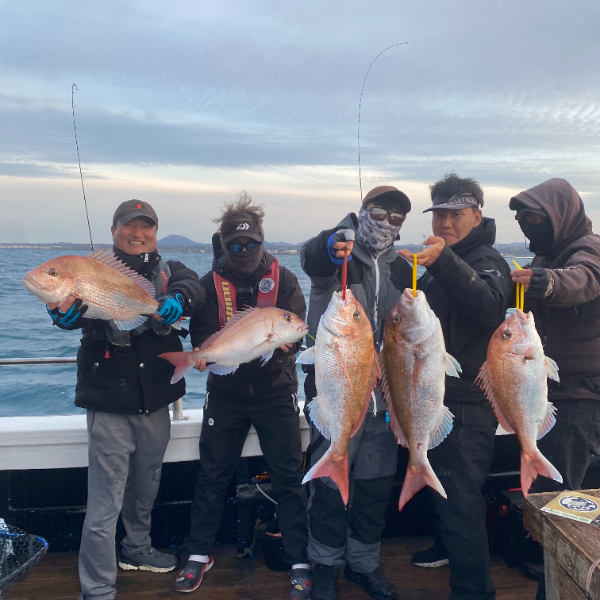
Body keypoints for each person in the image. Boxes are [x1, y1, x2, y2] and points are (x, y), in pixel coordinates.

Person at [47, 199, 204, 600]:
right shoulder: (90, 269)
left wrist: (178, 300)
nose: (137, 233)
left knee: (146, 486)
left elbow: (194, 286)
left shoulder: (170, 269)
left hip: (156, 400)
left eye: (146, 226)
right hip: (109, 403)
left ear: (155, 232)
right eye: (129, 226)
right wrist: (61, 316)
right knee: (105, 503)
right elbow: (71, 313)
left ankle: (137, 549)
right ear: (114, 230)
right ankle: (97, 588)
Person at [175, 195, 312, 599]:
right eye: (235, 245)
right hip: (225, 394)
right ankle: (199, 553)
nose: (244, 250)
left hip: (276, 393)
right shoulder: (207, 284)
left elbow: (297, 327)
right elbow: (201, 333)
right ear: (223, 244)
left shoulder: (285, 280)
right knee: (212, 474)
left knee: (289, 477)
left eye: (251, 243)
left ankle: (299, 559)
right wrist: (203, 354)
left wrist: (286, 345)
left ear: (261, 240)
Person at [400, 174, 511, 600]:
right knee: (441, 489)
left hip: (465, 405)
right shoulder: (439, 262)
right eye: (439, 215)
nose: (446, 223)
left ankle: (473, 591)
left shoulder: (487, 260)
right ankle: (446, 547)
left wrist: (442, 261)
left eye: (456, 215)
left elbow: (488, 307)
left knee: (461, 501)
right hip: (433, 396)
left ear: (477, 216)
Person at [301, 185, 413, 600]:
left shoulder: (404, 268)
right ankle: (325, 564)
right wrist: (331, 244)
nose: (387, 222)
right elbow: (312, 258)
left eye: (396, 217)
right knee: (329, 489)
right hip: (335, 395)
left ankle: (364, 563)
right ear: (363, 212)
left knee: (374, 487)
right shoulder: (338, 257)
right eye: (379, 213)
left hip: (384, 400)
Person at [509, 178, 600, 598]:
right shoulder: (547, 254)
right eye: (522, 219)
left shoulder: (588, 249)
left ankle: (558, 587)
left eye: (535, 218)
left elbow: (582, 279)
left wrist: (543, 282)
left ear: (559, 216)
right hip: (553, 392)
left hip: (581, 396)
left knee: (559, 501)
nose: (528, 226)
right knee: (557, 499)